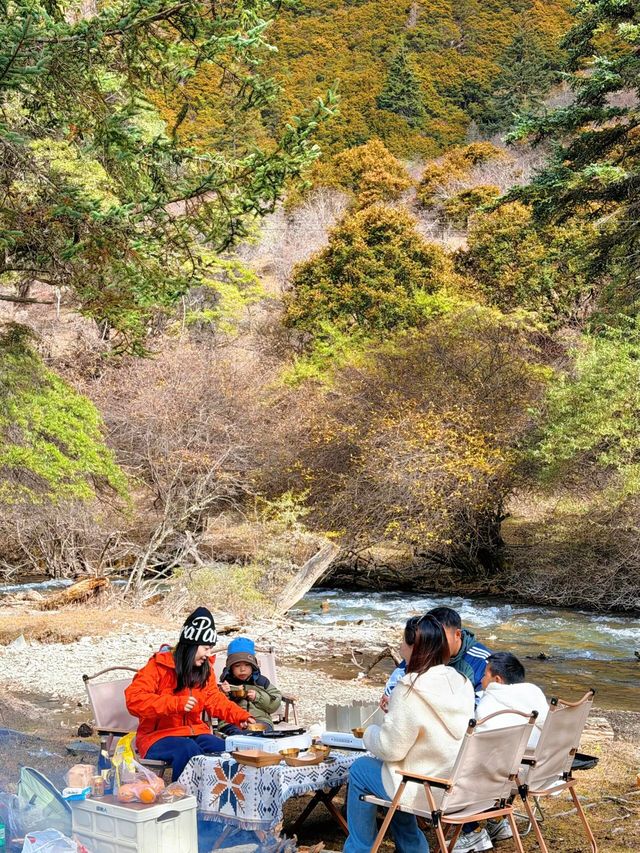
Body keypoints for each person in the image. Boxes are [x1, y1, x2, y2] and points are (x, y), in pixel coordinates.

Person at [345, 614, 475, 853]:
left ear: (416, 646)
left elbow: (389, 748)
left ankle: (359, 849)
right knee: (395, 776)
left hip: (421, 786)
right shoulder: (462, 681)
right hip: (453, 784)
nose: (400, 647)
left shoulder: (410, 686)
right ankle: (413, 848)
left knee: (361, 770)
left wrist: (368, 733)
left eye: (403, 642)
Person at [125, 607, 254, 781]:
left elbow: (215, 699)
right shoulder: (158, 667)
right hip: (157, 737)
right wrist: (174, 703)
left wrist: (241, 716)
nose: (209, 655)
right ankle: (184, 799)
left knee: (225, 749)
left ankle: (218, 799)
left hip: (195, 733)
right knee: (187, 749)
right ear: (192, 646)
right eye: (206, 648)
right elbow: (134, 699)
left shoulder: (204, 670)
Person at [452, 652, 549, 852]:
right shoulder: (533, 694)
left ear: (498, 680)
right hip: (541, 770)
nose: (481, 679)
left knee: (460, 765)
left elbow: (479, 759)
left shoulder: (490, 708)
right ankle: (497, 820)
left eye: (485, 675)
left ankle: (472, 832)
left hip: (508, 778)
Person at [381, 605, 491, 709]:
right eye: (432, 638)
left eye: (441, 638)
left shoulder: (482, 660)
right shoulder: (426, 648)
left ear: (457, 635)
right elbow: (400, 675)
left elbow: (484, 704)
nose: (435, 645)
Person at [218, 637, 282, 735]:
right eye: (237, 665)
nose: (242, 669)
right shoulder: (225, 684)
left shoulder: (261, 682)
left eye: (247, 665)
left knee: (264, 734)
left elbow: (274, 704)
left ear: (253, 666)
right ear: (230, 668)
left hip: (260, 720)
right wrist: (224, 693)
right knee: (238, 736)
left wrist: (258, 697)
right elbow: (216, 707)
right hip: (231, 721)